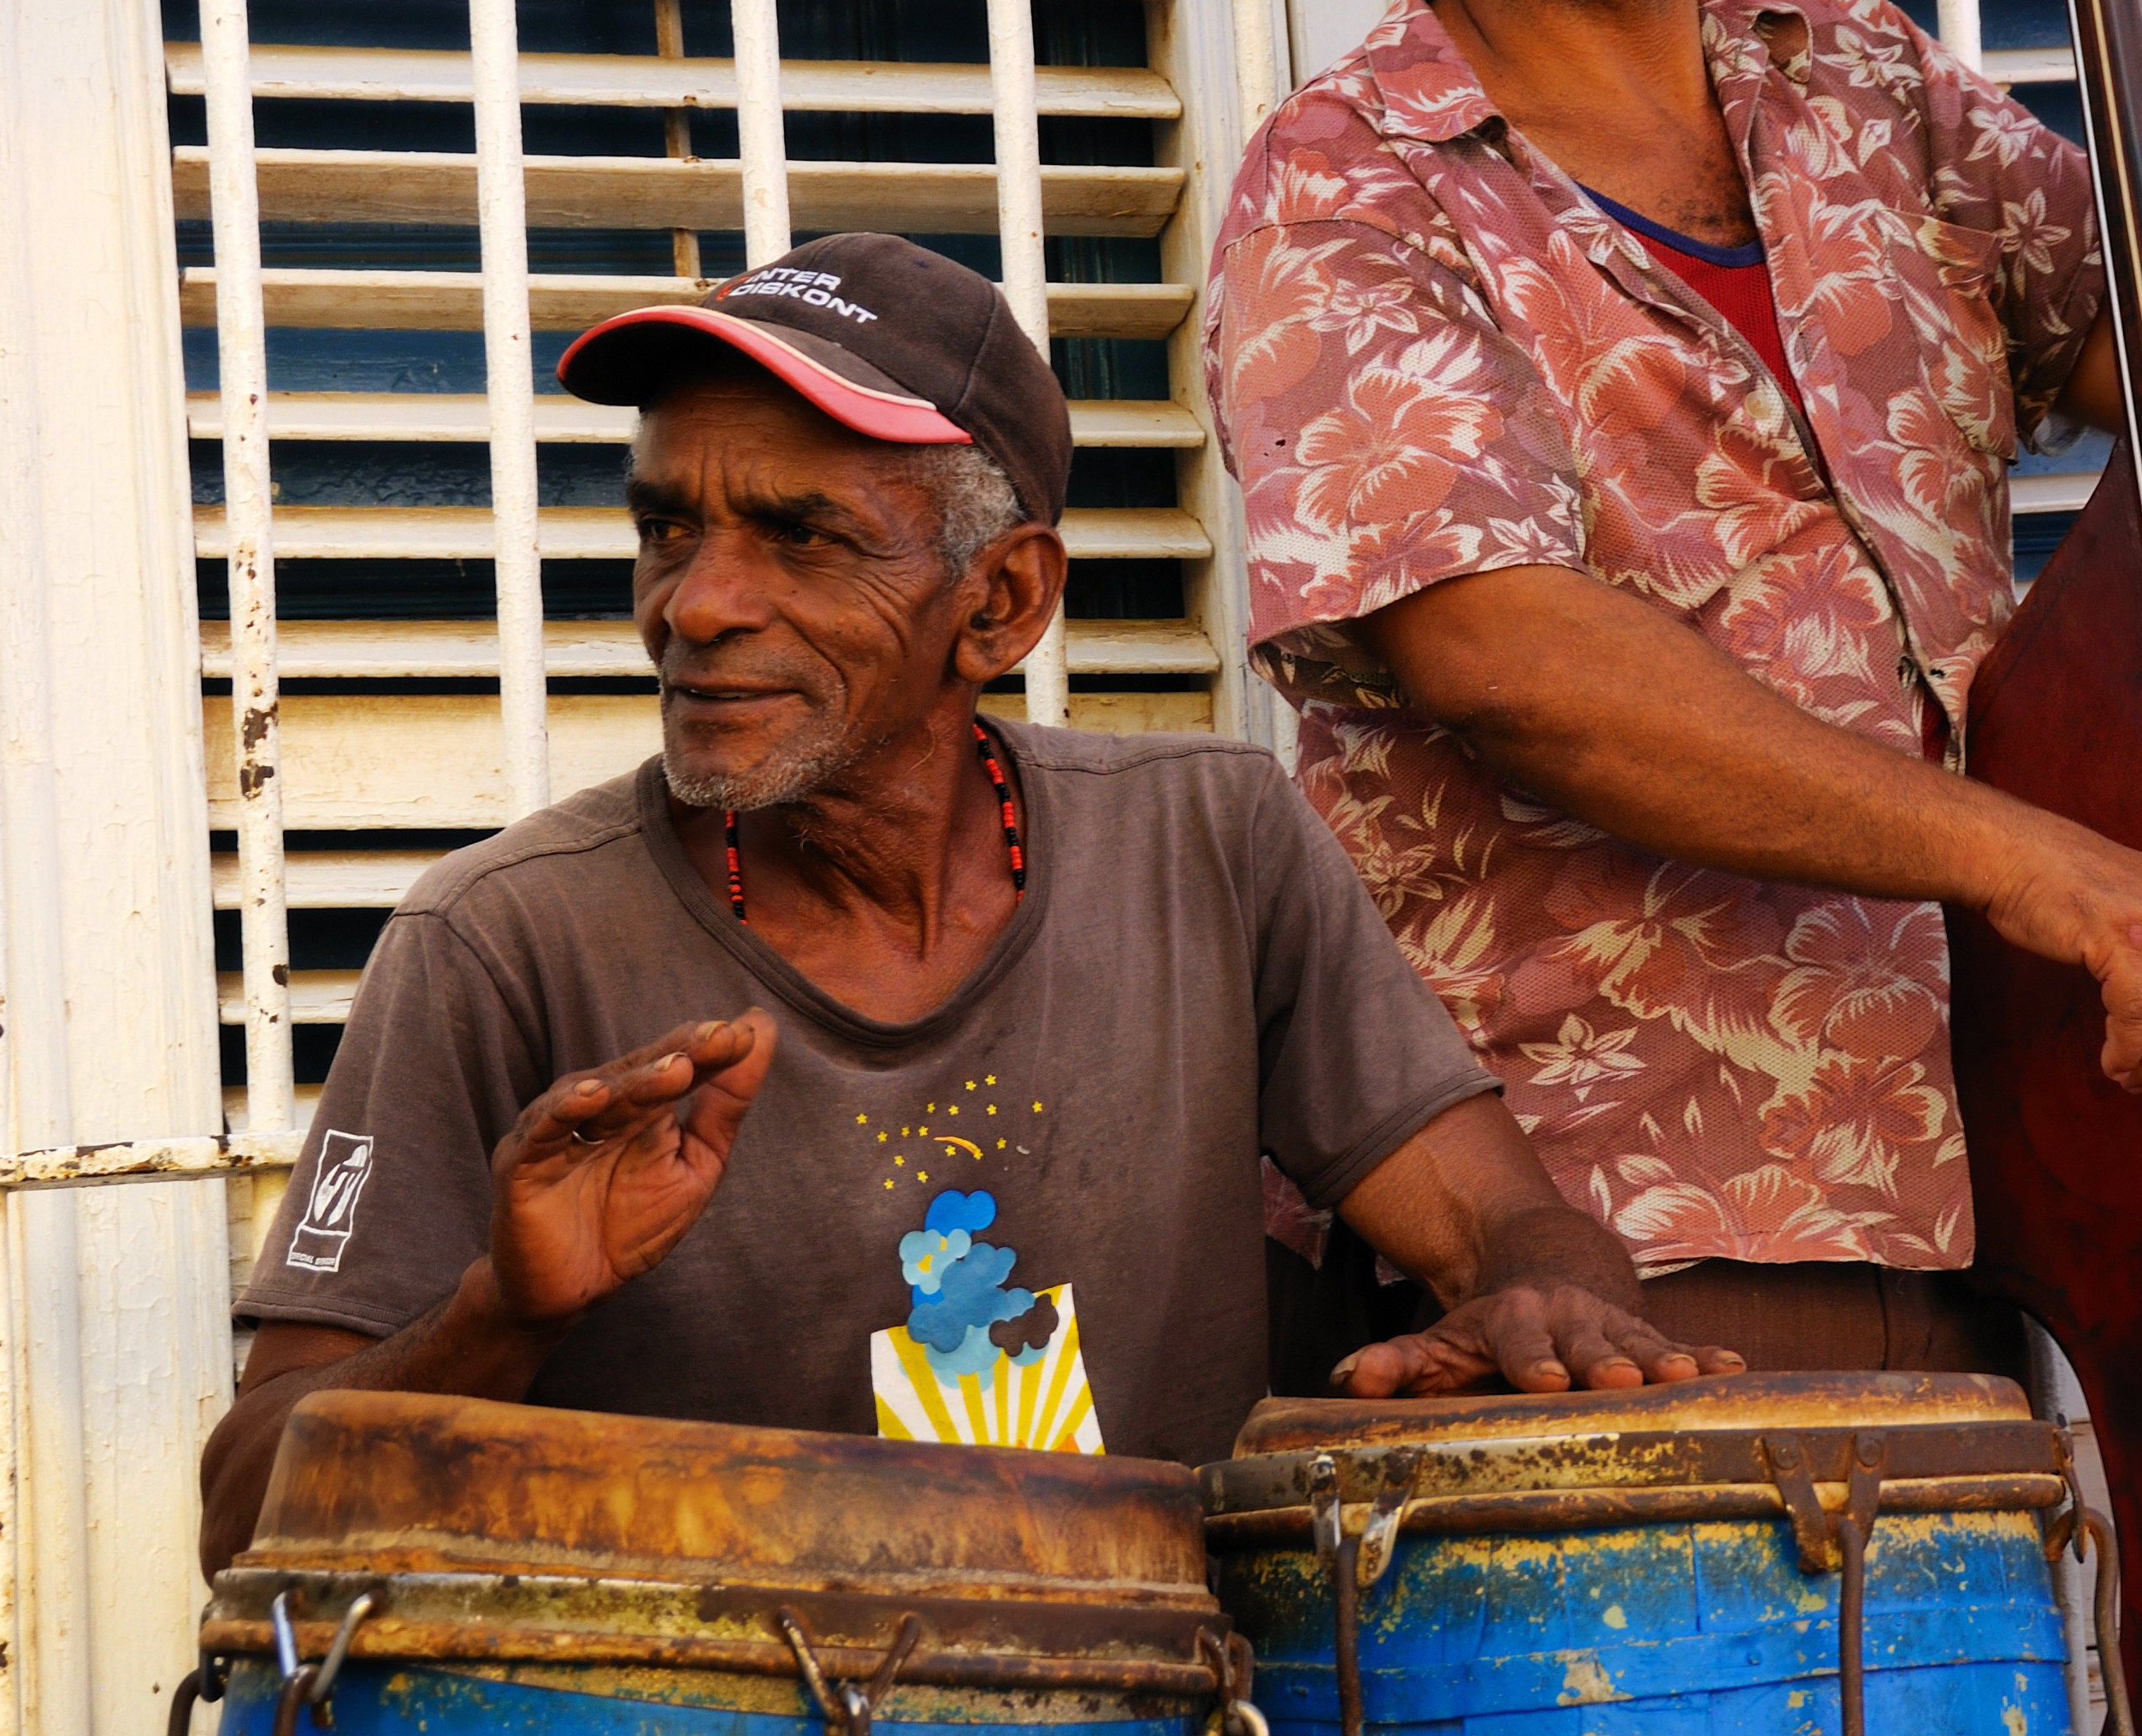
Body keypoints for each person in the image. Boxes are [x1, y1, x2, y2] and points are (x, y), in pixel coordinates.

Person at [1201, 0, 2142, 1377]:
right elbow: (1506, 655)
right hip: (1629, 1231)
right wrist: (2032, 857)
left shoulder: (1859, 78)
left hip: (2051, 1172)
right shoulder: (1340, 177)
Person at [198, 233, 1726, 1578]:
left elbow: (1496, 1222)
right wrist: (503, 1315)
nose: (696, 604)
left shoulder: (1210, 843)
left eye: (799, 535)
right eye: (668, 528)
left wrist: (1548, 1300)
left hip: (1157, 1692)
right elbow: (245, 1509)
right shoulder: (503, 939)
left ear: (999, 603)